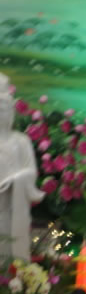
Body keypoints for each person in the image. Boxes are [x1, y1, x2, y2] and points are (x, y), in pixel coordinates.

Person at [0, 72, 42, 262]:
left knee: (12, 250)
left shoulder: (21, 141)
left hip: (13, 207)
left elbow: (31, 171)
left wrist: (16, 180)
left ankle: (16, 276)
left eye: (3, 109)